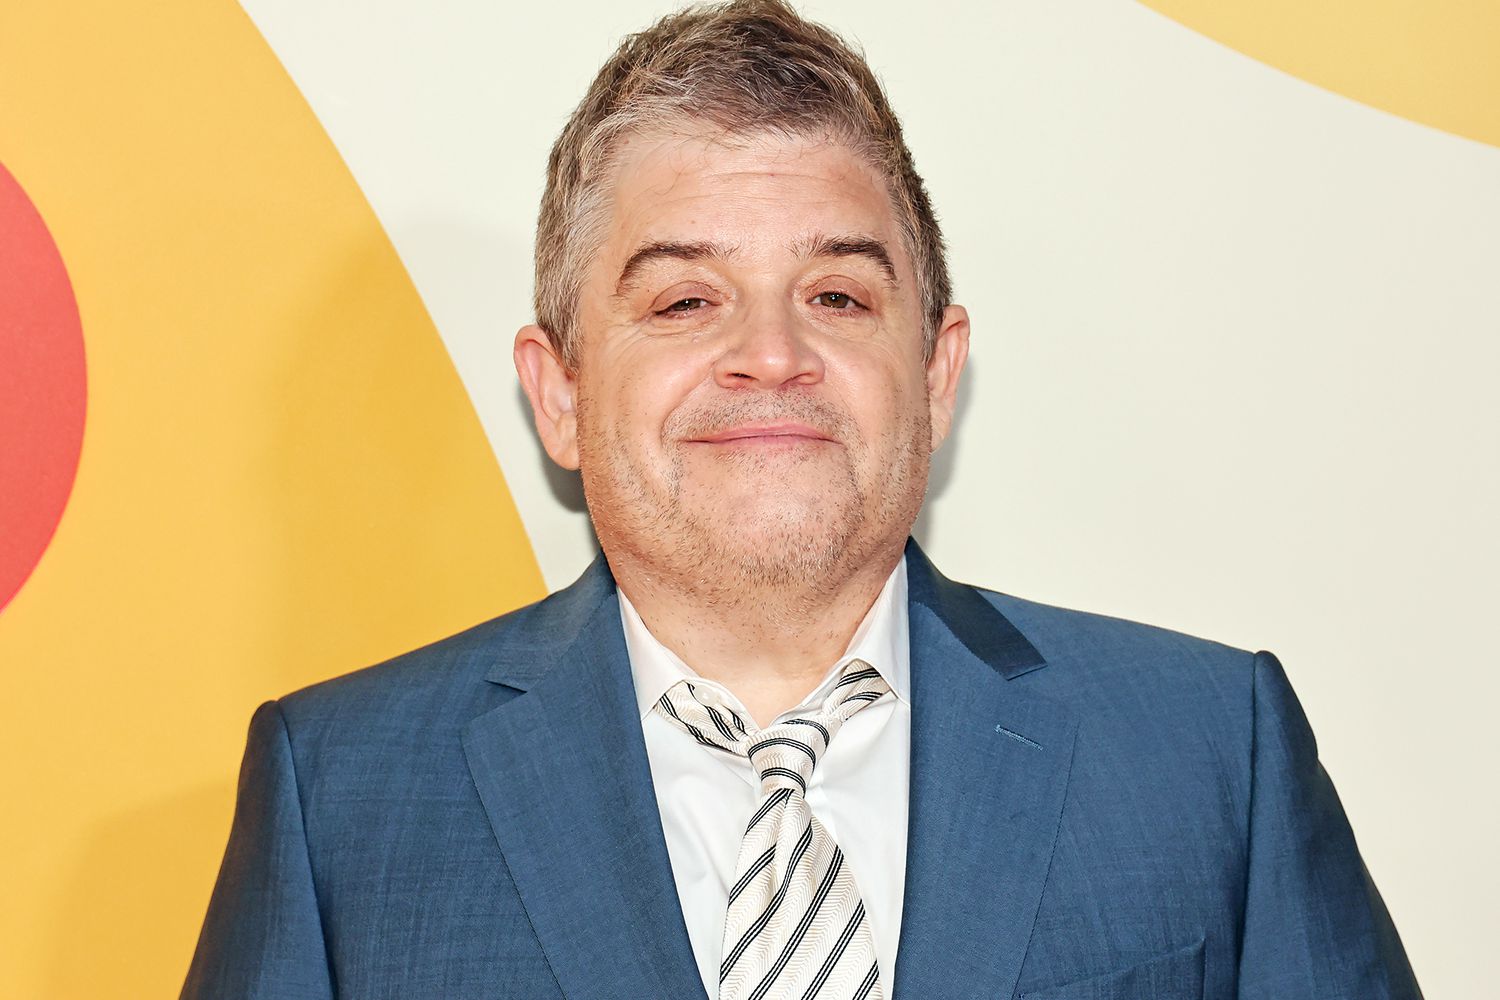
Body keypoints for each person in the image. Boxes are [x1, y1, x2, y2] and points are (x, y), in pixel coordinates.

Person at [182, 2, 1422, 998]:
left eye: (837, 294)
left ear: (935, 373)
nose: (770, 354)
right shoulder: (341, 800)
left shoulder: (1210, 755)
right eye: (683, 301)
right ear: (556, 392)